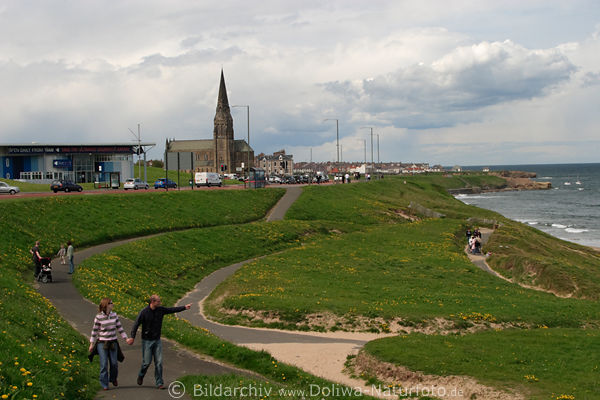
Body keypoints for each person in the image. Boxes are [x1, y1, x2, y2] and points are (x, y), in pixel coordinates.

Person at [129, 295, 191, 389]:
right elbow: (136, 324)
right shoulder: (144, 312)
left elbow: (171, 310)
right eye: (158, 301)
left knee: (159, 362)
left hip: (157, 340)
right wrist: (132, 337)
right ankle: (141, 375)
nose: (160, 302)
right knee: (146, 362)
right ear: (153, 302)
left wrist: (184, 307)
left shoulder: (160, 310)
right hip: (147, 341)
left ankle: (159, 383)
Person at [88, 298, 130, 391]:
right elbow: (94, 331)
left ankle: (113, 378)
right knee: (104, 364)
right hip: (102, 343)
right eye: (111, 303)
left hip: (113, 342)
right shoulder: (98, 317)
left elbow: (120, 328)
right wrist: (91, 344)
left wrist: (126, 338)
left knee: (114, 363)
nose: (113, 304)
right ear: (106, 305)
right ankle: (104, 384)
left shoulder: (114, 315)